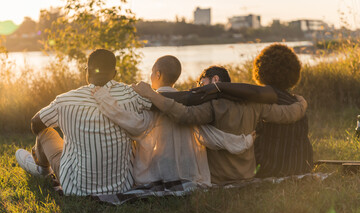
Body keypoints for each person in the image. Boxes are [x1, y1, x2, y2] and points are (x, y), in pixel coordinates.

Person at [92, 55, 256, 186]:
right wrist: (246, 141)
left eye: (151, 72)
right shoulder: (188, 104)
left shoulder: (150, 103)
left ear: (157, 74)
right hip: (188, 173)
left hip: (156, 174)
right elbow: (214, 137)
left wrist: (103, 98)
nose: (150, 76)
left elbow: (132, 123)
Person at [131, 66, 308, 184]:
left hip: (220, 178)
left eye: (202, 83)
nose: (199, 88)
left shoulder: (213, 106)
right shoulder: (255, 105)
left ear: (215, 79)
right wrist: (301, 103)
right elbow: (288, 115)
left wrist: (152, 95)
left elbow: (183, 115)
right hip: (246, 174)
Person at [15, 49, 152, 196]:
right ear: (114, 73)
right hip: (123, 186)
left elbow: (35, 123)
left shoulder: (65, 100)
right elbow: (158, 102)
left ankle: (42, 169)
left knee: (45, 132)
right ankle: (44, 163)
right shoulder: (132, 95)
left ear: (87, 72)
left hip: (76, 187)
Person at [252, 43, 313, 177]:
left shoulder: (259, 103)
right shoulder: (298, 103)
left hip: (267, 169)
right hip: (300, 166)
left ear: (260, 70)